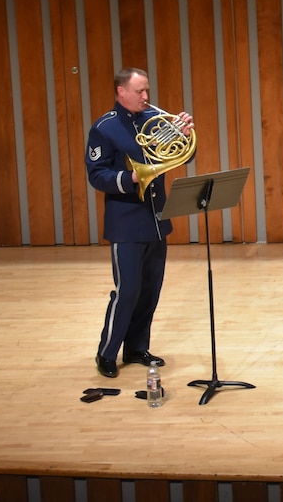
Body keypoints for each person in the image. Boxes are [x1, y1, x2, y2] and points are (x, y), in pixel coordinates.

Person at [87, 68, 194, 379]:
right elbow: (96, 174)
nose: (147, 97)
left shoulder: (152, 121)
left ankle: (136, 347)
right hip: (126, 222)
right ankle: (107, 352)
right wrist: (131, 178)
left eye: (147, 90)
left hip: (156, 219)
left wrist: (184, 136)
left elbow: (180, 157)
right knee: (128, 290)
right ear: (122, 92)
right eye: (140, 91)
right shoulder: (104, 128)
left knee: (150, 290)